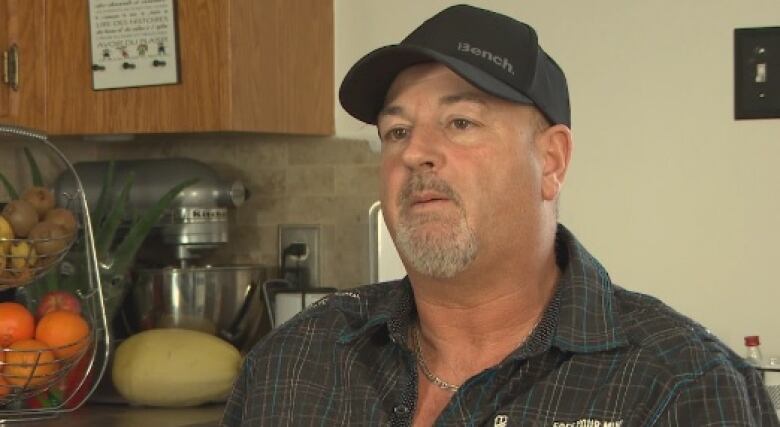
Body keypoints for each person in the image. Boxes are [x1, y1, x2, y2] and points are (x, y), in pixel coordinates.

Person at [222, 4, 778, 426]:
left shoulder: (679, 385)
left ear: (552, 160)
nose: (415, 152)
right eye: (396, 132)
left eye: (461, 122)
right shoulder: (292, 366)